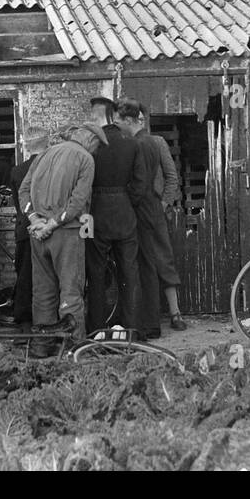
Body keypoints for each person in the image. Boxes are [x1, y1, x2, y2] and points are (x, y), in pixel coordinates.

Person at [20, 123, 100, 355]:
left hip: (38, 234)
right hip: (67, 232)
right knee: (71, 290)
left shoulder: (44, 154)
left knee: (43, 291)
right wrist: (54, 223)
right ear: (90, 140)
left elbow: (23, 192)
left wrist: (35, 220)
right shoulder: (85, 158)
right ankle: (74, 347)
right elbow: (78, 201)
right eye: (97, 145)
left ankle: (41, 346)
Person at [115, 100, 186, 335]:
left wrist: (163, 202)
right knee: (141, 262)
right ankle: (147, 316)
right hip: (135, 211)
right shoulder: (127, 143)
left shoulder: (156, 142)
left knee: (162, 259)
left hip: (151, 208)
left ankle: (175, 314)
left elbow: (171, 176)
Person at [83, 96, 146, 333]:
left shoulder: (90, 145)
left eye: (91, 117)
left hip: (95, 214)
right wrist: (126, 202)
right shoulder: (131, 143)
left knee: (96, 273)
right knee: (130, 272)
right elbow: (140, 184)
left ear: (99, 117)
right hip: (125, 212)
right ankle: (132, 329)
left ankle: (96, 329)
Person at [8, 127, 49, 338]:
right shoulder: (52, 165)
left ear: (27, 145)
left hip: (26, 227)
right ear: (47, 142)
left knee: (25, 274)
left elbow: (18, 205)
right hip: (50, 226)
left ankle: (24, 320)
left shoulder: (17, 171)